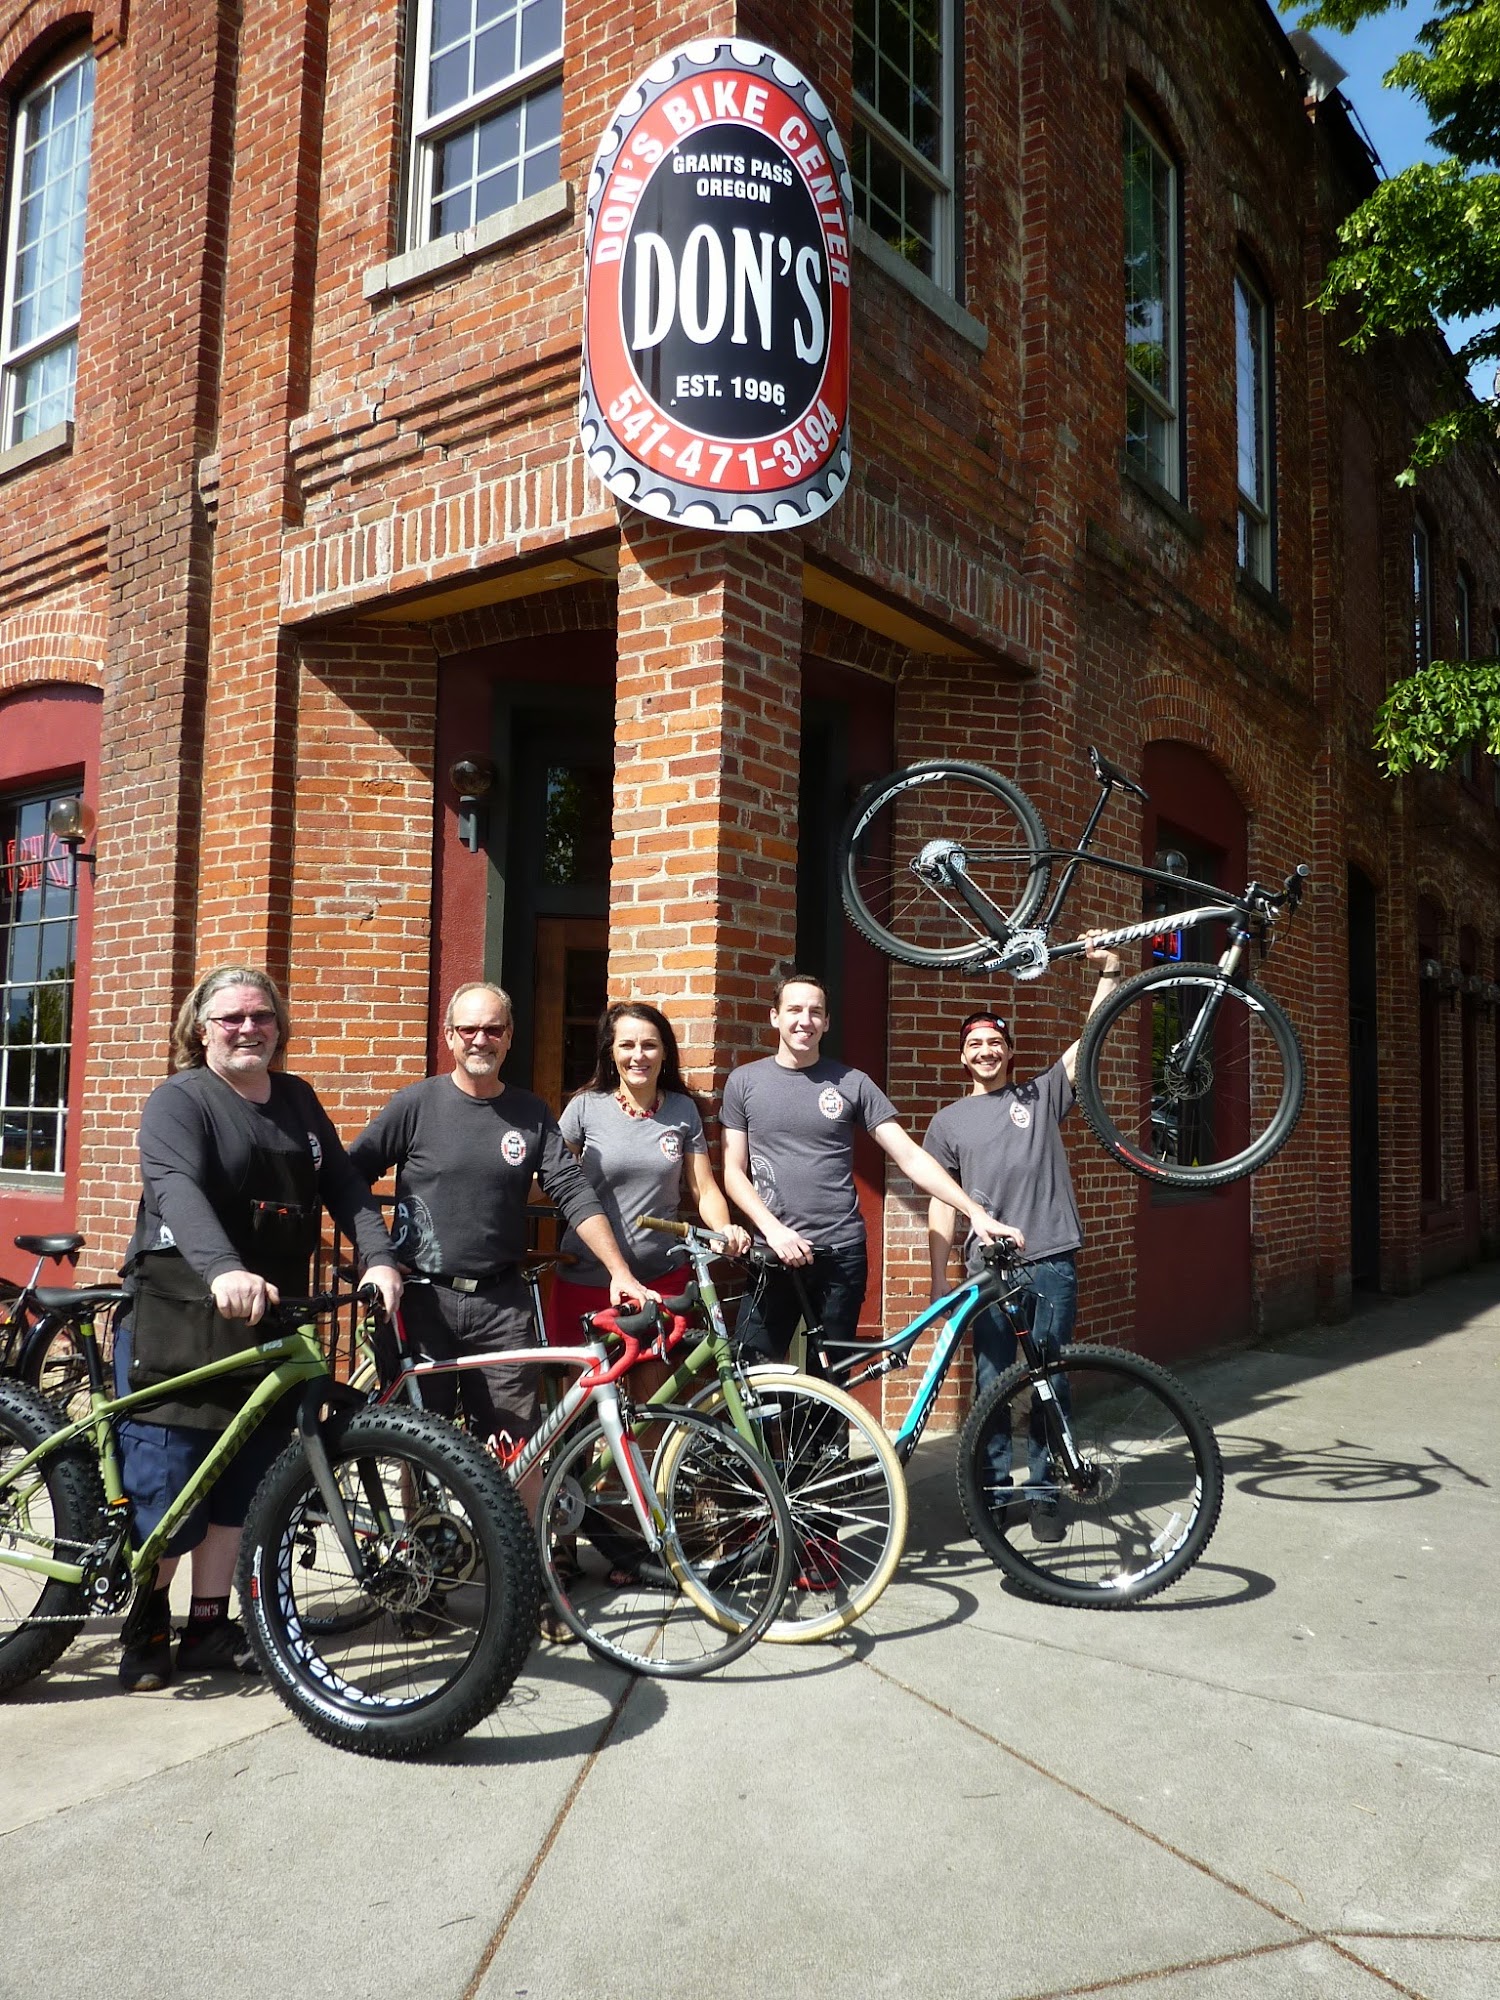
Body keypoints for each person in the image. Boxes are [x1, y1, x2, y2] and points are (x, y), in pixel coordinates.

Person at [115, 966, 401, 1693]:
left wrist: (378, 1257)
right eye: (232, 1017)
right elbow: (175, 1189)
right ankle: (147, 1618)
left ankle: (210, 1624)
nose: (249, 1028)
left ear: (279, 1024)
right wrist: (221, 1270)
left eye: (262, 1016)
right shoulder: (181, 1100)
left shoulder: (297, 1099)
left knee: (244, 1482)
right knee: (173, 1484)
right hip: (184, 1314)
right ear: (201, 1028)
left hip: (269, 1314)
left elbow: (344, 1186)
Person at [348, 981, 650, 1470]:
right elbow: (349, 1180)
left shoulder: (530, 1113)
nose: (480, 1040)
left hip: (501, 1307)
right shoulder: (415, 1105)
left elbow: (572, 1190)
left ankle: (508, 1525)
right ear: (450, 1036)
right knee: (418, 1450)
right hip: (423, 1302)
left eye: (492, 1029)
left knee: (516, 1451)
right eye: (468, 1029)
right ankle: (421, 1523)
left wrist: (619, 1271)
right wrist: (376, 1257)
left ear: (509, 1036)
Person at [923, 937, 1124, 1538]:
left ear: (1009, 1051)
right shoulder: (947, 1122)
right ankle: (991, 1492)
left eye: (995, 1042)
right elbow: (940, 1202)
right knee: (991, 1384)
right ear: (963, 1057)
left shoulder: (1038, 1095)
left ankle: (1044, 1493)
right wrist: (938, 1279)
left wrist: (1112, 972)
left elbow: (1089, 1039)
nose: (985, 1050)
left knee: (1050, 1379)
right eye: (974, 1044)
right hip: (988, 1271)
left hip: (1051, 1259)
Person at [721, 971, 1019, 1367]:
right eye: (794, 1010)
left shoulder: (853, 1083)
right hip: (772, 1253)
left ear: (827, 1022)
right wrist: (773, 1230)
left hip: (840, 1256)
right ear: (775, 1017)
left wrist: (974, 1211)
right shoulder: (744, 1082)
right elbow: (733, 1171)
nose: (805, 1021)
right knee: (752, 1371)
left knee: (831, 1380)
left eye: (815, 1012)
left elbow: (909, 1156)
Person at [545, 1001, 750, 1341]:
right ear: (611, 1053)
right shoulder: (585, 1107)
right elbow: (551, 1177)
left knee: (658, 1375)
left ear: (665, 1052)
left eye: (649, 1045)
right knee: (587, 1375)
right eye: (627, 1045)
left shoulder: (683, 1110)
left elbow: (703, 1189)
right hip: (589, 1279)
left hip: (662, 1278)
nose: (638, 1055)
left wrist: (723, 1228)